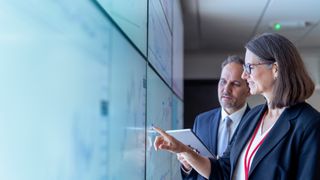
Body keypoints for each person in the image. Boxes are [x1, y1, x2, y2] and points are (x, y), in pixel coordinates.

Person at [153, 33, 320, 180]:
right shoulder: (253, 117)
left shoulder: (309, 124)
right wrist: (184, 150)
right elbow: (223, 170)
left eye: (250, 67)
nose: (244, 75)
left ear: (275, 69)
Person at [179, 55, 250, 180]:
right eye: (223, 82)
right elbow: (193, 176)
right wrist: (188, 166)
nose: (226, 90)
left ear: (249, 90)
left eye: (235, 84)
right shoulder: (201, 121)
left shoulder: (257, 123)